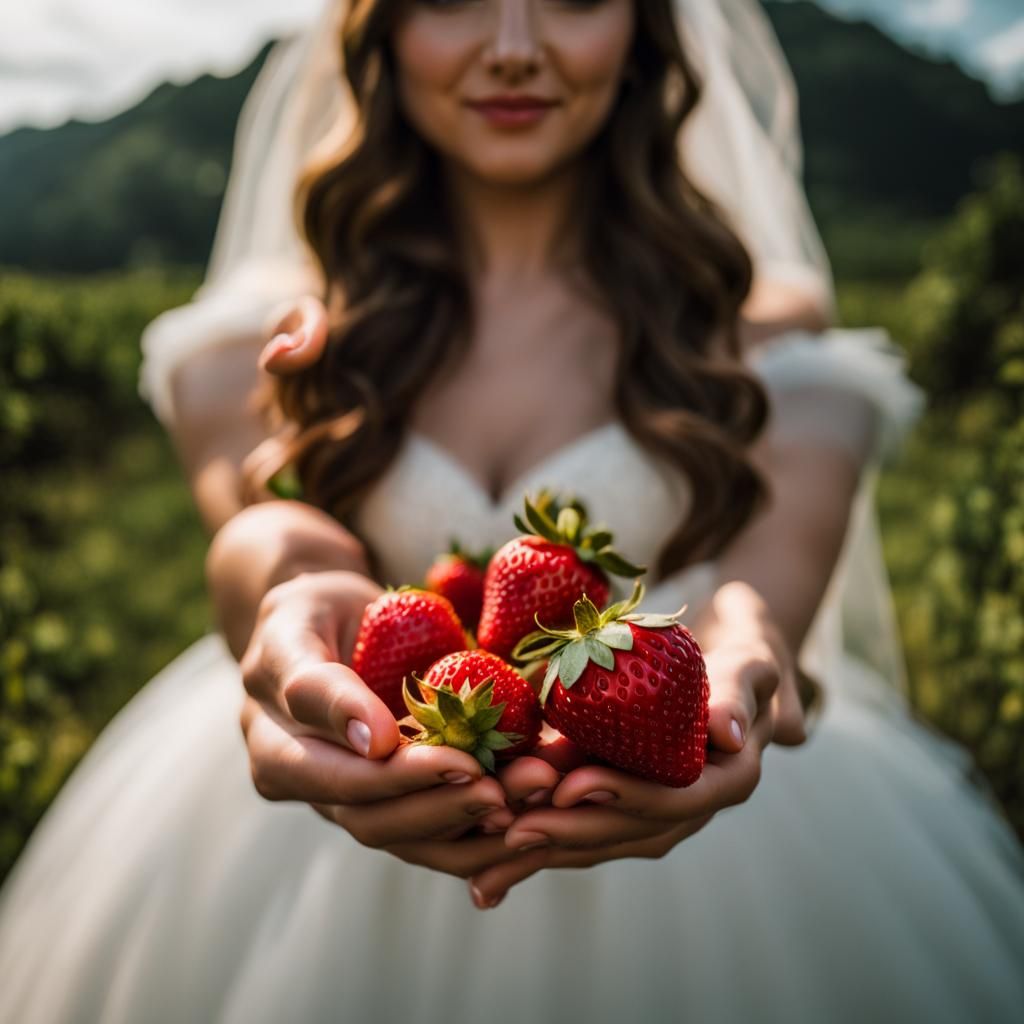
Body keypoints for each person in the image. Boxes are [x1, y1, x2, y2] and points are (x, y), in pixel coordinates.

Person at [1, 1, 1022, 1021]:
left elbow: (766, 594)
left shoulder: (763, 344)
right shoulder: (260, 347)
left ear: (645, 31)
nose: (514, 48)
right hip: (346, 803)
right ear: (381, 30)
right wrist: (291, 600)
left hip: (694, 853)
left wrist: (747, 637)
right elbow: (267, 537)